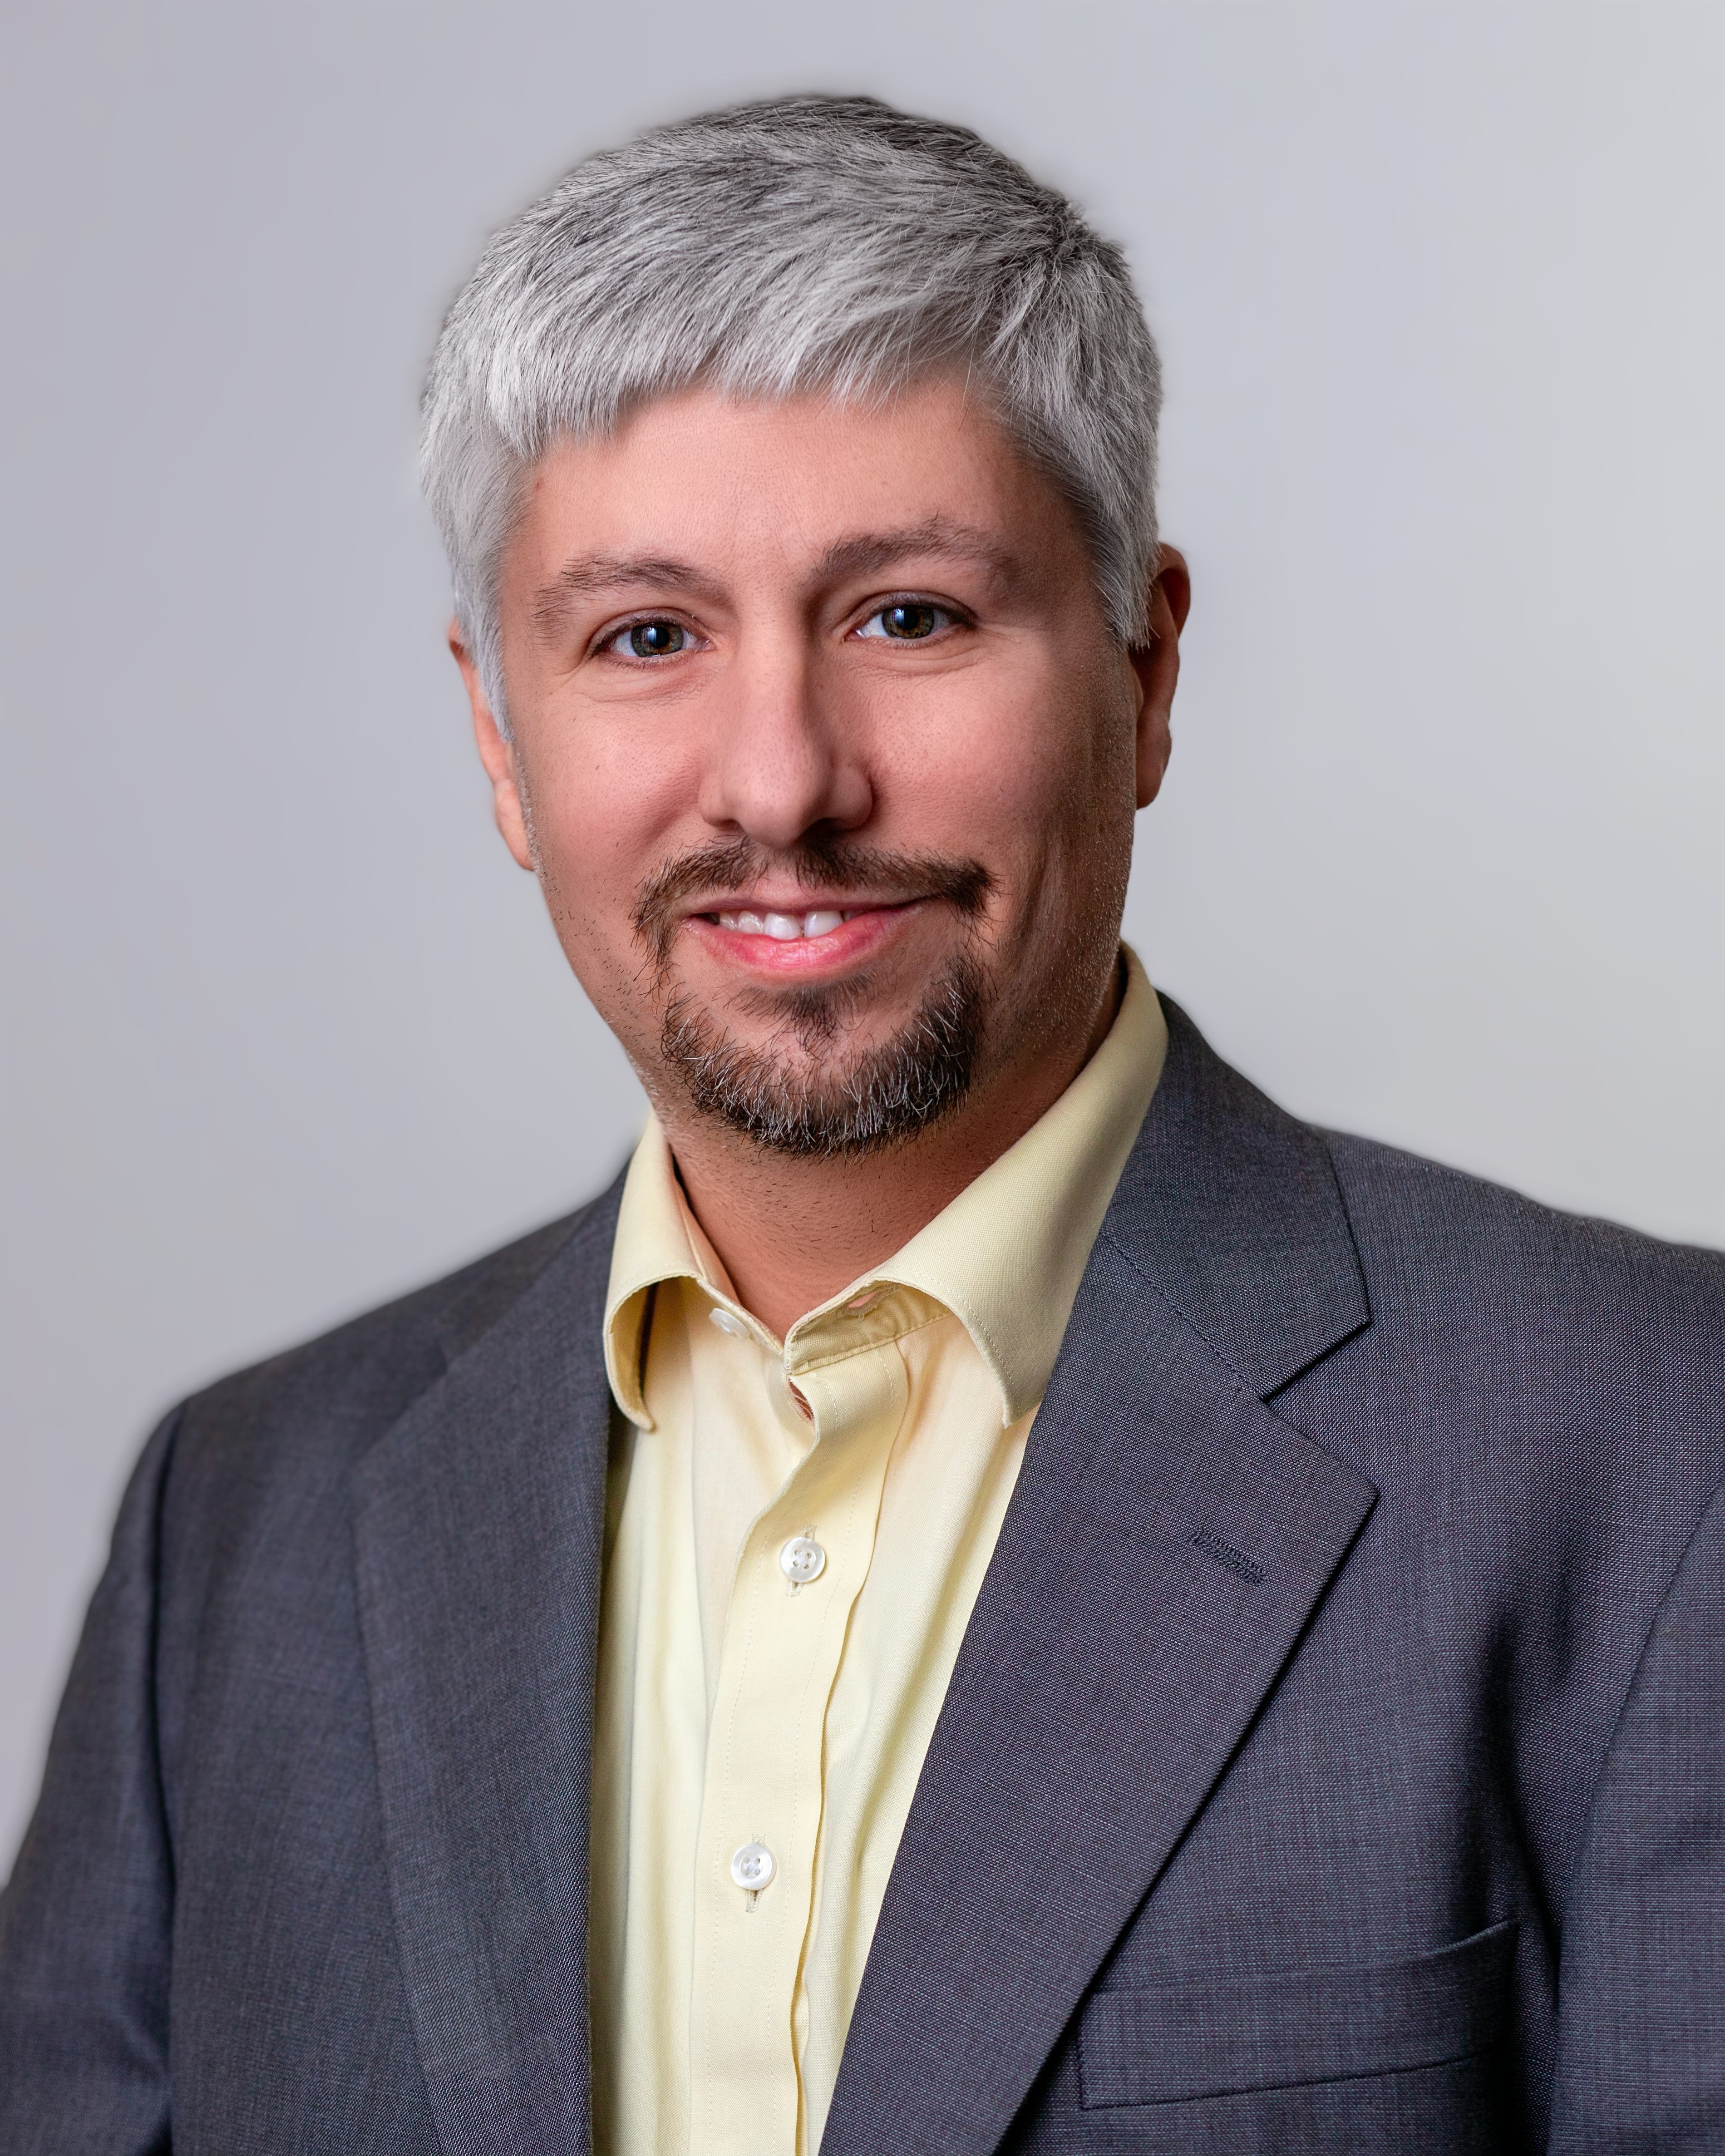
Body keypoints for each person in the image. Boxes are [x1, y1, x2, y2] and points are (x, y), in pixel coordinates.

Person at [1, 92, 1720, 2156]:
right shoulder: (241, 1522)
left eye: (906, 614)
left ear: (1147, 668)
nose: (781, 781)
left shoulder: (1648, 1456)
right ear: (498, 741)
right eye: (646, 638)